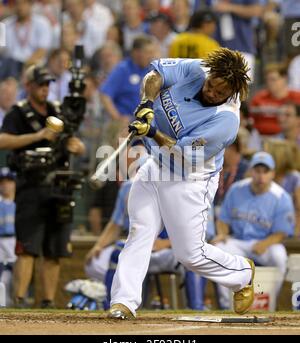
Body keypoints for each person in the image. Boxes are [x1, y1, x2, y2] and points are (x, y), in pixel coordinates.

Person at [108, 48, 255, 320]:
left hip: (189, 179)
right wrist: (146, 105)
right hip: (155, 165)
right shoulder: (198, 69)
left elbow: (185, 156)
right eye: (212, 85)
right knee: (139, 231)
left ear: (232, 92)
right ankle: (124, 302)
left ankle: (241, 273)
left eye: (220, 92)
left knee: (190, 254)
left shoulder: (226, 120)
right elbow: (155, 75)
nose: (211, 92)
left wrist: (152, 131)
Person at [0, 65, 85, 308]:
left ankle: (47, 301)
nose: (44, 89)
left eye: (47, 85)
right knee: (27, 248)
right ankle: (19, 300)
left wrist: (77, 146)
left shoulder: (58, 111)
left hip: (59, 186)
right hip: (31, 185)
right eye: (40, 85)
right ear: (28, 86)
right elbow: (3, 140)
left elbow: (73, 139)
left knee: (55, 249)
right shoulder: (18, 113)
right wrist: (37, 137)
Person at [213, 152, 295, 309]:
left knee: (279, 256)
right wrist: (222, 234)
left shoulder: (281, 197)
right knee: (220, 250)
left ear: (273, 174)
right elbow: (223, 220)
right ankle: (226, 306)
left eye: (266, 171)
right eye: (257, 171)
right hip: (238, 241)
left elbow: (282, 232)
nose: (261, 176)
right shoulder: (236, 189)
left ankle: (270, 302)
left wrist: (265, 243)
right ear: (251, 171)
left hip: (266, 243)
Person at [0, 167, 16, 307]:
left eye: (9, 181)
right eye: (2, 182)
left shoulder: (20, 203)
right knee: (2, 280)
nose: (5, 185)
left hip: (16, 241)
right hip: (1, 242)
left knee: (16, 280)